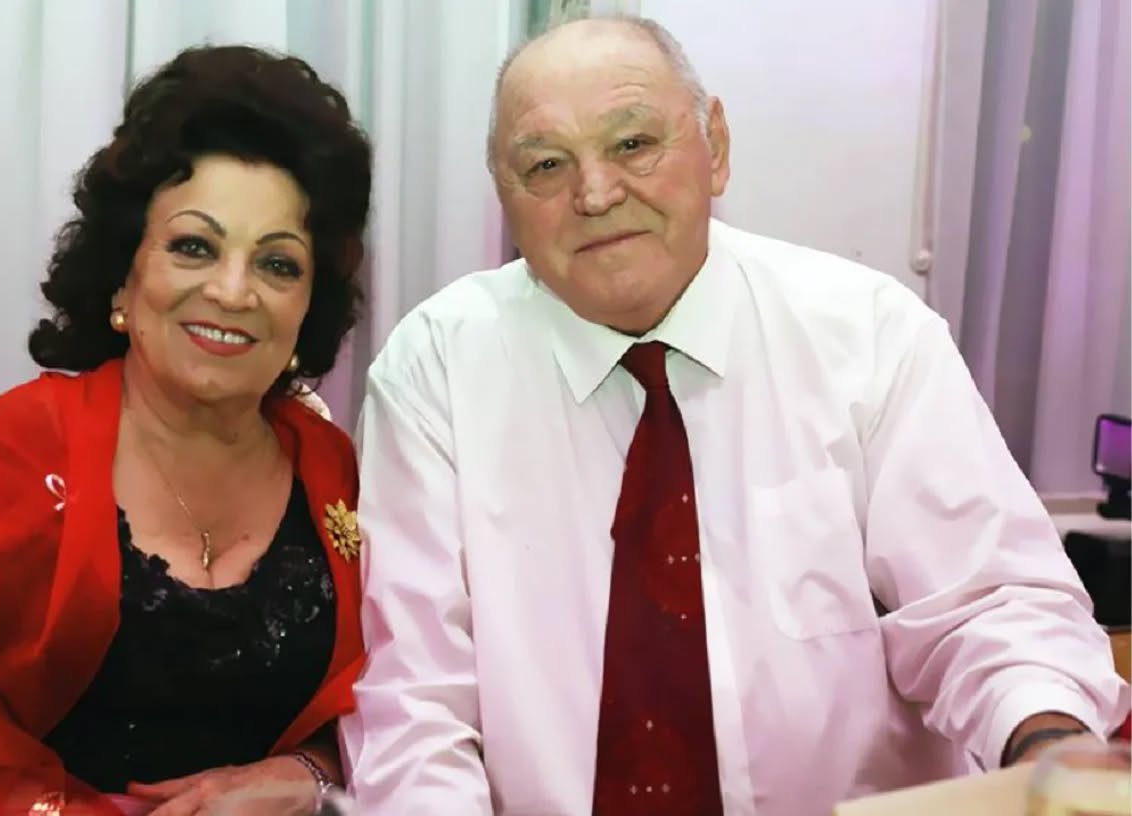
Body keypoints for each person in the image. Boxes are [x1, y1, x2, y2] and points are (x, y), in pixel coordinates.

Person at [338, 15, 1130, 816]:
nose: (596, 194)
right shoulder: (437, 367)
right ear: (503, 194)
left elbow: (989, 604)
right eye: (546, 164)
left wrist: (1046, 745)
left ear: (714, 145)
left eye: (633, 143)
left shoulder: (866, 333)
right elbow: (416, 706)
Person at [0, 44, 372, 816]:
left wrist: (310, 775)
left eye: (278, 264)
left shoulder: (333, 468)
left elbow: (404, 699)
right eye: (194, 247)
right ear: (124, 278)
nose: (234, 292)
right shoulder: (5, 458)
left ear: (308, 307)